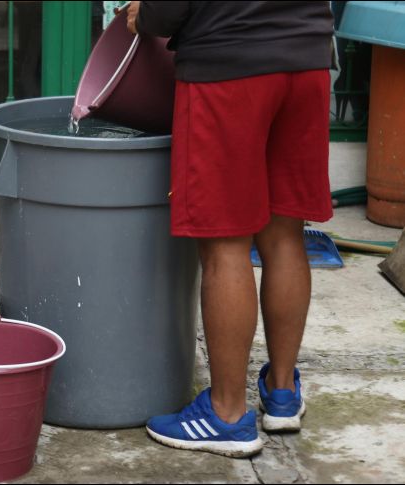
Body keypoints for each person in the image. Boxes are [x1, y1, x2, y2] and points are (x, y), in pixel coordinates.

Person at [126, 1, 335, 457]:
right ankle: (281, 394)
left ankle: (226, 414)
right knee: (284, 235)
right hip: (307, 59)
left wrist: (144, 14)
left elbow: (166, 13)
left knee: (225, 246)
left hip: (229, 67)